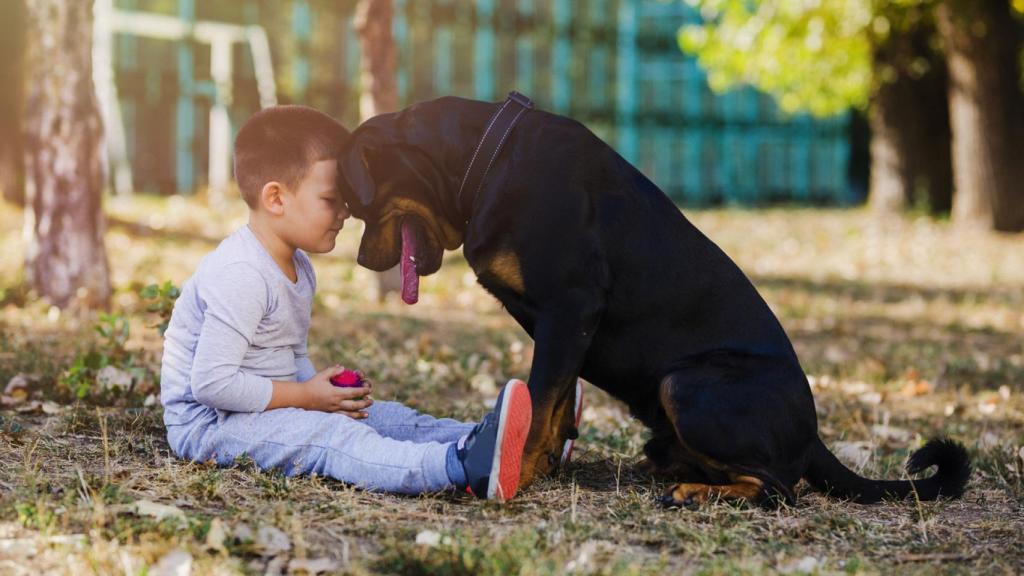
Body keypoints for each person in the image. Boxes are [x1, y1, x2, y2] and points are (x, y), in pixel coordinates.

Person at [159, 105, 541, 500]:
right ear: (275, 198)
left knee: (385, 417)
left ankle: (517, 443)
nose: (345, 212)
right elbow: (212, 384)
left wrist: (322, 393)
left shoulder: (298, 266)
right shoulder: (242, 272)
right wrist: (307, 398)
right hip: (212, 426)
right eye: (331, 199)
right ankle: (460, 465)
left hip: (259, 408)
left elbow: (289, 353)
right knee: (333, 435)